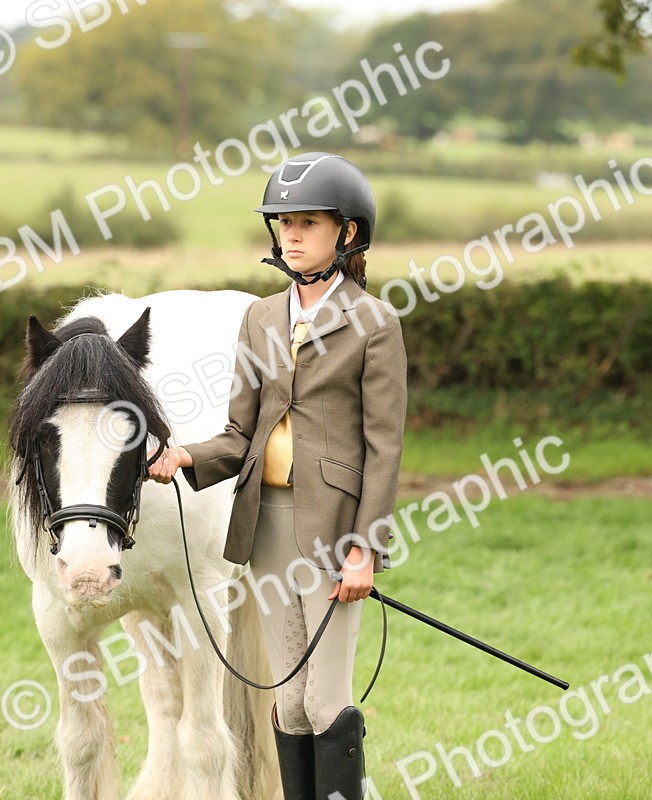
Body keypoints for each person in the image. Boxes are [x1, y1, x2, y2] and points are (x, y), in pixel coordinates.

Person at [148, 151, 407, 800]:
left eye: (308, 222)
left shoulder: (374, 324)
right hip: (265, 525)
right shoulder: (260, 318)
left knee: (325, 703)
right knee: (288, 704)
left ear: (347, 233)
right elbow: (241, 435)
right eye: (283, 222)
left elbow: (384, 446)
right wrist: (186, 458)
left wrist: (364, 548)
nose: (290, 234)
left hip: (332, 530)